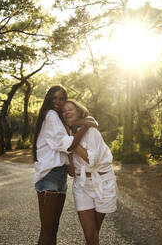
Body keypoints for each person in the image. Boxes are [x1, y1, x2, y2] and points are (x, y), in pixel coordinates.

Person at [33, 85, 96, 245]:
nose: (58, 102)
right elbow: (67, 145)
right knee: (48, 231)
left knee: (52, 229)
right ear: (48, 99)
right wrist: (86, 126)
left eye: (61, 99)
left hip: (59, 177)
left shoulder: (59, 121)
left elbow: (66, 153)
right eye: (54, 98)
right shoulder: (51, 115)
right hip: (50, 176)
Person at [62, 100, 117, 245]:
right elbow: (72, 173)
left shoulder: (92, 131)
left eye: (70, 109)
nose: (66, 112)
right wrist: (67, 147)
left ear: (79, 111)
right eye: (63, 111)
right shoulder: (65, 137)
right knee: (90, 236)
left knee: (93, 235)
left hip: (103, 182)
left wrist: (72, 143)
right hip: (81, 185)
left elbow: (91, 160)